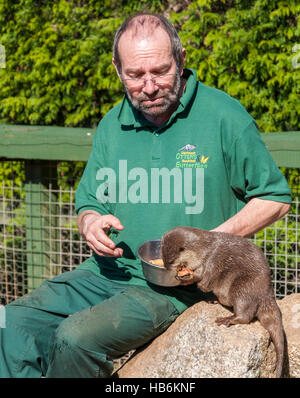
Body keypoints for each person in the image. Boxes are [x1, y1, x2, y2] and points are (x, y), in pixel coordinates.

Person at [0, 13, 291, 378]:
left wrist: (213, 245)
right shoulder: (112, 124)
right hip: (106, 273)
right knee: (7, 322)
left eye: (161, 71)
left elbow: (275, 200)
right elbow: (90, 202)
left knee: (75, 338)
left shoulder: (224, 116)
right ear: (117, 69)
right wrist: (90, 221)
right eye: (135, 76)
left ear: (182, 59)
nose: (150, 86)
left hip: (175, 287)